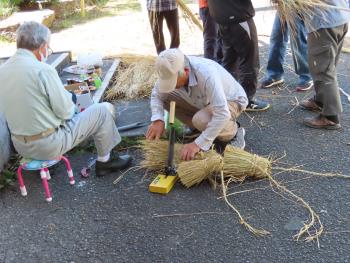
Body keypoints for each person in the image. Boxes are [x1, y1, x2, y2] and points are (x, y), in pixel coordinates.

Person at [0, 21, 132, 177]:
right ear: (42, 46)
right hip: (48, 145)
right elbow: (65, 112)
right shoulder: (43, 70)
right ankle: (106, 161)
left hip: (20, 145)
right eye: (48, 48)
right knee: (101, 111)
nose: (47, 52)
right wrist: (75, 108)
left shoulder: (3, 70)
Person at [146, 48, 248, 160]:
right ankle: (201, 129)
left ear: (186, 71)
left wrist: (198, 144)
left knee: (201, 120)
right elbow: (157, 95)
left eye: (173, 82)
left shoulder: (206, 74)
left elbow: (222, 113)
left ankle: (234, 132)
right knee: (166, 98)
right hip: (204, 102)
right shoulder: (169, 70)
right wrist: (158, 119)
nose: (172, 86)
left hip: (232, 101)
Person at [207, 0, 270, 111]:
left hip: (222, 17)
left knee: (230, 59)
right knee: (249, 60)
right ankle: (246, 100)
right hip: (237, 16)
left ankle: (227, 96)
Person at [300, 0, 350, 129]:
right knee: (327, 66)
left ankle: (330, 117)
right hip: (339, 16)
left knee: (323, 70)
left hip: (324, 22)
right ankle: (321, 101)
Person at [260, 12, 313, 92]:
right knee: (277, 35)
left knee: (297, 37)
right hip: (283, 5)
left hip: (298, 6)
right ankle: (275, 74)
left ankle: (307, 76)